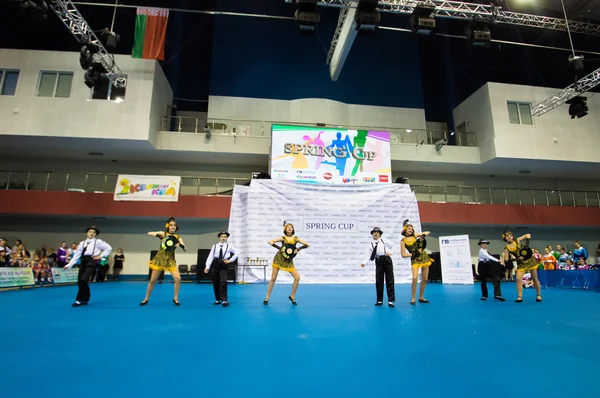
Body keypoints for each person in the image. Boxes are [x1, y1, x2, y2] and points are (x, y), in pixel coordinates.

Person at [140, 217, 186, 306]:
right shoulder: (163, 233)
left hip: (170, 260)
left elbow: (185, 248)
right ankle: (146, 299)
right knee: (153, 280)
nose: (173, 227)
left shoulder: (177, 237)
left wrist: (181, 245)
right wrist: (158, 235)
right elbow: (149, 233)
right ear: (168, 226)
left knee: (178, 279)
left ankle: (175, 299)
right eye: (171, 225)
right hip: (160, 259)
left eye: (174, 226)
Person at [64, 226, 112, 307]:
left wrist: (101, 256)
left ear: (96, 234)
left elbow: (109, 248)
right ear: (87, 233)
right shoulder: (82, 243)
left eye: (94, 232)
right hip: (83, 261)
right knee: (80, 281)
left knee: (83, 279)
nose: (92, 233)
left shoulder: (98, 242)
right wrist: (69, 265)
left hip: (91, 262)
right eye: (90, 232)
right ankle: (85, 299)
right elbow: (77, 255)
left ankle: (79, 300)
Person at [264, 223, 309, 305]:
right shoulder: (283, 238)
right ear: (285, 229)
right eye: (287, 227)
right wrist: (279, 248)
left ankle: (292, 296)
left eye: (291, 227)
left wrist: (298, 249)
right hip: (279, 259)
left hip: (289, 261)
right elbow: (270, 241)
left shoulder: (296, 239)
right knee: (273, 278)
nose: (289, 228)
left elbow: (307, 244)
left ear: (293, 229)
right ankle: (267, 297)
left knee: (297, 277)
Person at [501, 232, 541, 303]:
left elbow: (528, 235)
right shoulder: (506, 248)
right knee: (518, 278)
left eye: (511, 236)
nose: (509, 237)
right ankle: (520, 297)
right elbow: (506, 259)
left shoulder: (517, 240)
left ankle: (538, 295)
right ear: (505, 238)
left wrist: (526, 246)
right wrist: (516, 259)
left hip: (530, 261)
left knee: (534, 278)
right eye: (507, 236)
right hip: (520, 263)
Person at [360, 227, 395, 307]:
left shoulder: (384, 241)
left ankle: (390, 300)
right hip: (378, 260)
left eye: (377, 233)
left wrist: (391, 252)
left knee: (390, 279)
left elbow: (393, 246)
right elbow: (368, 255)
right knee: (379, 280)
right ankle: (379, 300)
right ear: (372, 234)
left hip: (386, 259)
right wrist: (364, 263)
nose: (375, 234)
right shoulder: (371, 244)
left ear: (380, 234)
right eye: (374, 233)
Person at [399, 221, 432, 305]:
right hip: (415, 259)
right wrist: (413, 254)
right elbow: (403, 255)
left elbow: (428, 232)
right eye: (409, 228)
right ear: (405, 230)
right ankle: (413, 299)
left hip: (424, 258)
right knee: (414, 278)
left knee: (425, 279)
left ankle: (421, 297)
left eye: (412, 228)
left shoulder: (415, 235)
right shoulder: (403, 241)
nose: (411, 230)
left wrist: (423, 235)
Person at [205, 231, 239, 307]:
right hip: (215, 264)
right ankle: (218, 299)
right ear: (219, 237)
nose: (223, 238)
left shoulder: (229, 246)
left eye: (225, 237)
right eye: (222, 236)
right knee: (215, 282)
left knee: (223, 281)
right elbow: (210, 257)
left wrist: (230, 260)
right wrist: (207, 267)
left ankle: (224, 300)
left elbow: (237, 253)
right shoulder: (214, 246)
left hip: (224, 264)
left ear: (227, 238)